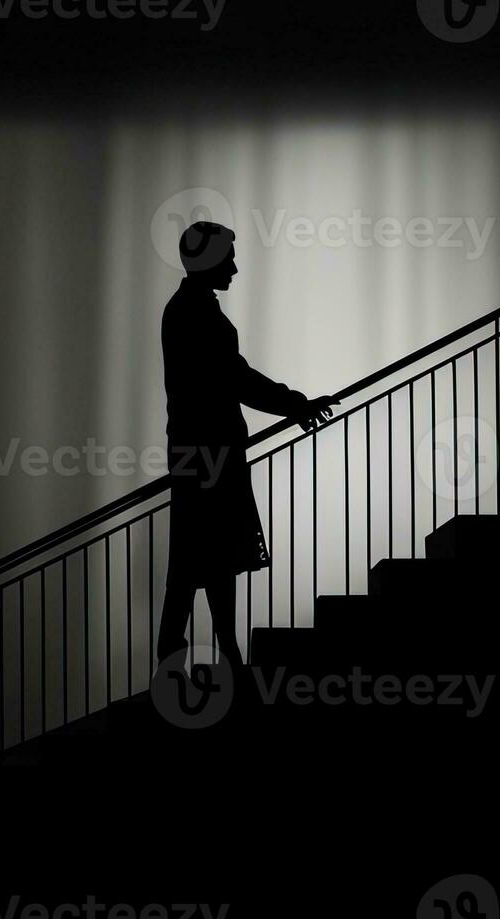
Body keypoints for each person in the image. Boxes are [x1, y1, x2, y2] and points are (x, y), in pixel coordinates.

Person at [155, 221, 336, 667]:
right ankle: (196, 650)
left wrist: (294, 405)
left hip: (202, 448)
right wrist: (295, 404)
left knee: (206, 552)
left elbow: (233, 375)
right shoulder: (192, 312)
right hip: (207, 450)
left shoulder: (190, 309)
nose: (235, 267)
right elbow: (235, 377)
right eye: (228, 258)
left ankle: (204, 649)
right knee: (203, 552)